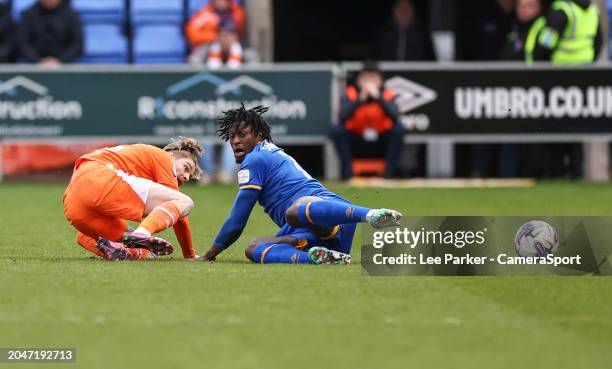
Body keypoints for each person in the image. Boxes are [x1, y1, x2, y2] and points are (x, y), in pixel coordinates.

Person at [198, 105, 402, 265]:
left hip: (331, 214)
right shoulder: (270, 151)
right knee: (254, 248)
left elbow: (238, 218)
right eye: (232, 136)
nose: (235, 141)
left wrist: (210, 254)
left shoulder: (255, 159)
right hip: (312, 233)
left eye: (242, 135)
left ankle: (370, 215)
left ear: (259, 135)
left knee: (293, 212)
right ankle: (317, 257)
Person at [63, 138, 203, 261]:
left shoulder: (138, 159)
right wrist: (189, 254)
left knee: (146, 253)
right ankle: (142, 233)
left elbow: (83, 236)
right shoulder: (164, 157)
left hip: (73, 204)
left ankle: (126, 252)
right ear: (172, 155)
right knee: (185, 202)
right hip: (99, 177)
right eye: (186, 167)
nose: (186, 177)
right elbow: (180, 217)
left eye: (189, 176)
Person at [530, 0, 603, 178]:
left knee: (555, 129)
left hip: (558, 78)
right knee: (576, 130)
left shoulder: (563, 12)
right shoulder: (592, 11)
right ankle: (576, 172)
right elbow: (598, 43)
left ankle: (557, 173)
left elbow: (545, 45)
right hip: (582, 78)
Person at [330, 62, 404, 180]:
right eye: (365, 78)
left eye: (373, 78)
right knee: (336, 130)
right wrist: (360, 99)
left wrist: (378, 97)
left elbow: (395, 116)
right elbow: (342, 116)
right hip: (357, 139)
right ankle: (347, 175)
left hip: (380, 139)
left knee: (399, 129)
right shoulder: (351, 93)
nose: (369, 82)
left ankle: (389, 174)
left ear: (381, 80)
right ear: (358, 80)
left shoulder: (387, 94)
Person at [17, 0, 83, 65]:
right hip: (32, 65)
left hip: (65, 66)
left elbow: (77, 44)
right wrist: (37, 61)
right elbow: (23, 43)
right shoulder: (29, 15)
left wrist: (61, 61)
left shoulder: (72, 15)